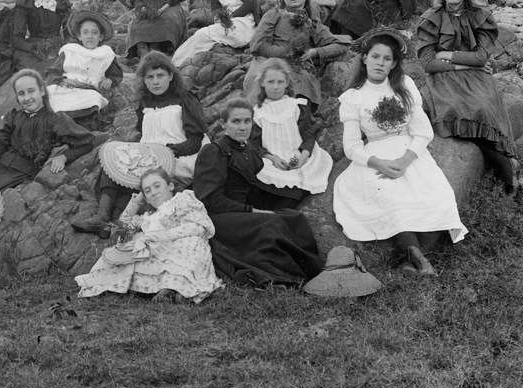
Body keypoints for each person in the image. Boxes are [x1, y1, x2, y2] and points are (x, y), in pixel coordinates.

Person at [333, 29, 468, 275]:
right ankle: (422, 262)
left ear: (394, 63)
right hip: (376, 156)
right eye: (375, 56)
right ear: (364, 58)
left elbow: (423, 132)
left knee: (438, 198)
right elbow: (351, 147)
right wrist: (378, 163)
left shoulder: (403, 85)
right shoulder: (353, 97)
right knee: (392, 198)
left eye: (387, 59)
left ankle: (407, 260)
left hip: (410, 152)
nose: (380, 63)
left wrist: (406, 161)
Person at [415, 0, 520, 192]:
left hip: (476, 77)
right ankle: (503, 164)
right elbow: (428, 63)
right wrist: (463, 62)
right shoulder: (431, 18)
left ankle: (501, 166)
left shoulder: (480, 15)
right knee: (448, 110)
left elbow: (482, 57)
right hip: (443, 78)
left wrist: (448, 55)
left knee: (481, 107)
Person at [71, 51, 207, 237]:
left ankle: (116, 223)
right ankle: (101, 218)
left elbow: (195, 140)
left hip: (180, 155)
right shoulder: (145, 102)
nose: (155, 82)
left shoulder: (185, 99)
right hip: (151, 153)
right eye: (149, 77)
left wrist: (170, 151)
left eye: (160, 76)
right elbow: (145, 134)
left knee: (146, 176)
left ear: (171, 76)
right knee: (115, 162)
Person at [192, 99, 324, 286]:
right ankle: (291, 278)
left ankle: (314, 274)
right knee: (272, 225)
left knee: (295, 217)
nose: (242, 127)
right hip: (219, 218)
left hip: (241, 212)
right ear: (223, 124)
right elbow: (211, 199)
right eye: (236, 122)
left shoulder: (249, 149)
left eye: (247, 121)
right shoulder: (214, 151)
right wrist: (253, 211)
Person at [75, 168, 223, 304]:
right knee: (131, 244)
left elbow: (198, 226)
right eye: (148, 190)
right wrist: (137, 200)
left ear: (170, 186)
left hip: (182, 245)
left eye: (157, 186)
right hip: (159, 251)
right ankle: (151, 288)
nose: (153, 192)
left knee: (191, 241)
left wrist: (165, 235)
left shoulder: (182, 200)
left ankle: (174, 288)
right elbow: (123, 224)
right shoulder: (149, 217)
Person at [247, 0, 350, 108]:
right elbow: (257, 45)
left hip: (297, 69)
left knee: (299, 104)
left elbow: (342, 44)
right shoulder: (274, 14)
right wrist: (288, 53)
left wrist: (314, 52)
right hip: (268, 62)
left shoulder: (312, 24)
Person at [0, 69, 94, 191]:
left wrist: (63, 157)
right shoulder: (12, 116)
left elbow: (87, 143)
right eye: (21, 94)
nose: (27, 98)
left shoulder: (56, 119)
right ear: (17, 98)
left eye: (31, 91)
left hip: (20, 175)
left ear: (42, 91)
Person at [250, 58, 333, 196]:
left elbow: (308, 135)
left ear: (287, 83)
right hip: (273, 160)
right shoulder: (257, 113)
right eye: (270, 82)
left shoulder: (296, 106)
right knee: (263, 174)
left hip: (299, 156)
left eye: (280, 82)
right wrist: (273, 159)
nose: (275, 87)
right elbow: (254, 144)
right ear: (262, 82)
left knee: (305, 179)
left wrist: (303, 157)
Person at [45, 9, 123, 127]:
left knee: (94, 99)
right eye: (85, 33)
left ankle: (78, 124)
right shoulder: (70, 50)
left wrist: (109, 80)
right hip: (65, 85)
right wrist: (62, 80)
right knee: (50, 95)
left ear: (101, 37)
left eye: (94, 33)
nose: (90, 36)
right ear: (79, 36)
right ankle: (58, 122)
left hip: (88, 89)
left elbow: (116, 73)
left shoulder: (106, 53)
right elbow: (52, 73)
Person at [13, 0, 72, 73]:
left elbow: (69, 32)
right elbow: (17, 37)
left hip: (56, 47)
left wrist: (64, 47)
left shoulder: (61, 3)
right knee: (32, 71)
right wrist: (34, 49)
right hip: (32, 49)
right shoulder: (25, 4)